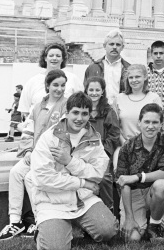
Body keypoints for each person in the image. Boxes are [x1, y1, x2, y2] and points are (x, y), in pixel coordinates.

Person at [26, 92, 118, 250]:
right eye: (75, 112)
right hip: (52, 202)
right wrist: (83, 182)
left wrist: (69, 161)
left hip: (84, 199)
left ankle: (76, 225)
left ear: (89, 115)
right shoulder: (49, 138)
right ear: (66, 113)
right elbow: (43, 180)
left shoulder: (94, 138)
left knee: (108, 231)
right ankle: (45, 231)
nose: (79, 118)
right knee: (56, 247)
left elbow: (98, 172)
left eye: (84, 114)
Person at [0, 69, 68, 241]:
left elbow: (64, 136)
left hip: (52, 158)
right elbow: (28, 131)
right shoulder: (37, 107)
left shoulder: (67, 105)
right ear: (47, 86)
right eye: (55, 85)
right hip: (35, 154)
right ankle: (15, 221)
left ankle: (40, 220)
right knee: (15, 173)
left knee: (31, 177)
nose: (59, 89)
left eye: (63, 85)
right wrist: (28, 150)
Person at [115, 103, 164, 242]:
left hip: (154, 191)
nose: (150, 126)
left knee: (163, 187)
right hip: (133, 193)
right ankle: (140, 217)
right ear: (139, 123)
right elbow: (123, 183)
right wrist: (129, 218)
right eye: (146, 121)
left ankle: (154, 226)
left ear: (161, 124)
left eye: (155, 122)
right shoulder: (127, 147)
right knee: (133, 238)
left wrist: (137, 177)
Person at [84, 77, 121, 212]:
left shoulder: (108, 111)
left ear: (102, 91)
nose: (94, 93)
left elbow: (114, 134)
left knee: (104, 177)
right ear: (86, 91)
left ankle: (109, 209)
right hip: (83, 153)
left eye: (97, 90)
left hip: (102, 153)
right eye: (91, 90)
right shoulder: (82, 110)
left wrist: (103, 151)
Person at [19, 43, 83, 116]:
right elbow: (24, 110)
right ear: (45, 58)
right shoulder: (33, 81)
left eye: (58, 56)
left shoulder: (73, 79)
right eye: (51, 55)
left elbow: (81, 104)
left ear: (62, 59)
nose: (54, 58)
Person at [113, 64, 163, 145]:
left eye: (137, 77)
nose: (134, 80)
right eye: (131, 77)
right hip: (125, 145)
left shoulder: (154, 98)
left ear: (145, 77)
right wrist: (124, 143)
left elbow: (159, 125)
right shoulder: (119, 98)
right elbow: (115, 126)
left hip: (148, 146)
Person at [84, 30, 130, 105]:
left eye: (118, 45)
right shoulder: (93, 68)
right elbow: (86, 91)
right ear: (104, 46)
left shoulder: (128, 69)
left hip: (121, 109)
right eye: (111, 44)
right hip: (98, 110)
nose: (114, 47)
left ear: (122, 47)